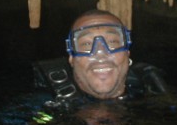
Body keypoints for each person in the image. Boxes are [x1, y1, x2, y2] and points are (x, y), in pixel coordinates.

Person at [33, 9, 167, 107]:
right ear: (71, 58)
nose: (100, 53)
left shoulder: (152, 93)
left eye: (113, 42)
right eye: (86, 44)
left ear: (127, 53)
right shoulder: (46, 102)